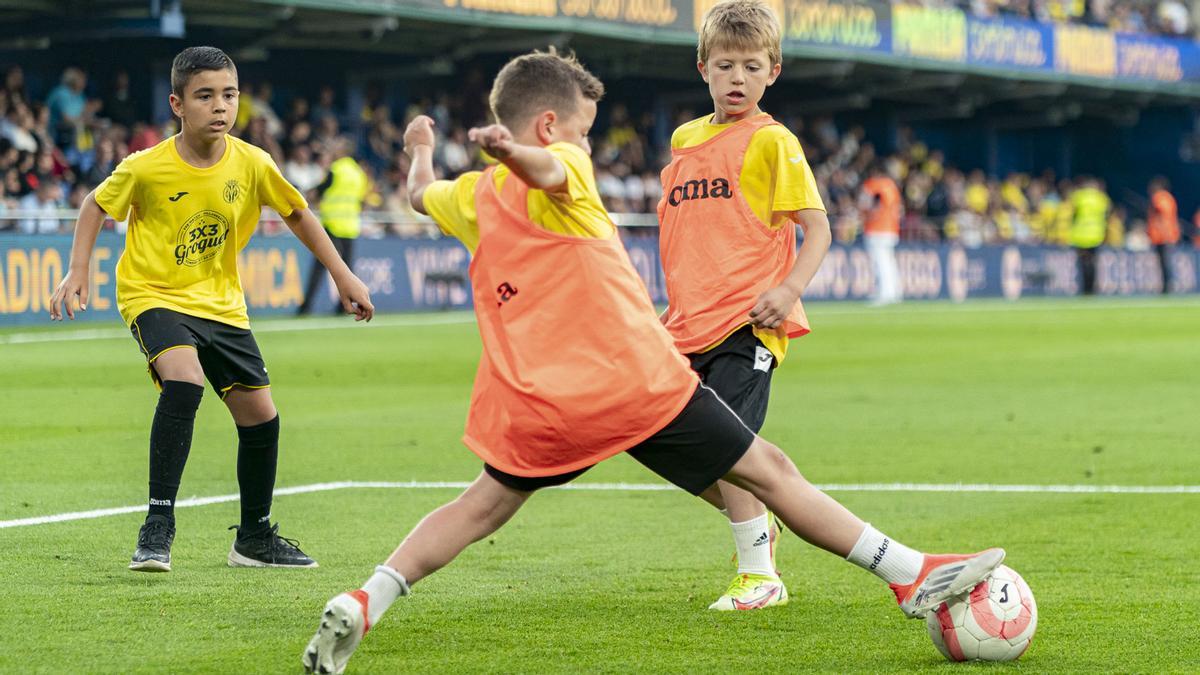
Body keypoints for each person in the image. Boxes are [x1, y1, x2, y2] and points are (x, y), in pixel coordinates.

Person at [301, 48, 1004, 674]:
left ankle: (368, 596)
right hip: (631, 378)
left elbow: (419, 194)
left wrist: (421, 146)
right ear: (551, 124)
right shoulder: (562, 162)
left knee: (480, 505)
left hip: (537, 400)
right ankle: (912, 574)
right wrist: (518, 153)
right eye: (580, 127)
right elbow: (548, 169)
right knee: (767, 469)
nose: (585, 142)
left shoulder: (474, 194)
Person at [47, 46, 375, 573]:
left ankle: (254, 538)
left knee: (261, 417)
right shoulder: (146, 166)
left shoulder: (252, 162)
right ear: (178, 103)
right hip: (152, 293)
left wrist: (343, 274)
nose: (220, 106)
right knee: (184, 381)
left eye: (229, 95)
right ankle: (157, 529)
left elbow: (298, 213)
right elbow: (93, 205)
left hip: (221, 303)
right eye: (205, 96)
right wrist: (78, 269)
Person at [656, 0, 830, 610]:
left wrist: (787, 291)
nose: (737, 78)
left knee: (728, 445)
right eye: (725, 65)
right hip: (683, 326)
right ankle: (759, 517)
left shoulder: (772, 142)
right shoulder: (685, 139)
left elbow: (819, 228)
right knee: (652, 436)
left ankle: (760, 574)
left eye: (751, 67)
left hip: (746, 322)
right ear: (702, 66)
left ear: (773, 72)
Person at [298, 137, 370, 315]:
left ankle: (306, 307)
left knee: (320, 265)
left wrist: (306, 195)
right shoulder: (359, 174)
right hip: (350, 227)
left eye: (338, 147)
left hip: (332, 224)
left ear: (344, 150)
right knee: (347, 269)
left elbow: (321, 190)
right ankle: (344, 306)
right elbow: (361, 201)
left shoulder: (336, 169)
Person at [861, 164, 903, 305]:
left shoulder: (873, 184)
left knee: (880, 262)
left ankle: (884, 293)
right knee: (889, 261)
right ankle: (895, 292)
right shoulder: (892, 185)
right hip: (891, 228)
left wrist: (867, 215)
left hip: (876, 228)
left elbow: (867, 205)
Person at [1069, 177, 1110, 295]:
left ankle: (1085, 288)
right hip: (1096, 235)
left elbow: (1073, 214)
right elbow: (1106, 215)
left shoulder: (1078, 196)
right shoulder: (1101, 198)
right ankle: (1092, 288)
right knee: (1093, 263)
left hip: (1080, 235)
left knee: (1082, 263)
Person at [1146, 177, 1179, 294]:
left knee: (1163, 262)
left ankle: (1166, 286)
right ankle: (1168, 284)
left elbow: (1160, 213)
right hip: (1169, 235)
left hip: (1161, 236)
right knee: (1166, 262)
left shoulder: (1159, 197)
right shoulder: (1170, 198)